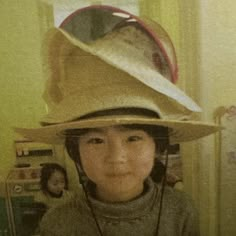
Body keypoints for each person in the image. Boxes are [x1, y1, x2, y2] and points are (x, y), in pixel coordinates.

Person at [15, 5, 220, 236]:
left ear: (157, 144)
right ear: (75, 150)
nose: (116, 158)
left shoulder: (181, 212)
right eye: (95, 140)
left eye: (133, 138)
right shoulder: (57, 224)